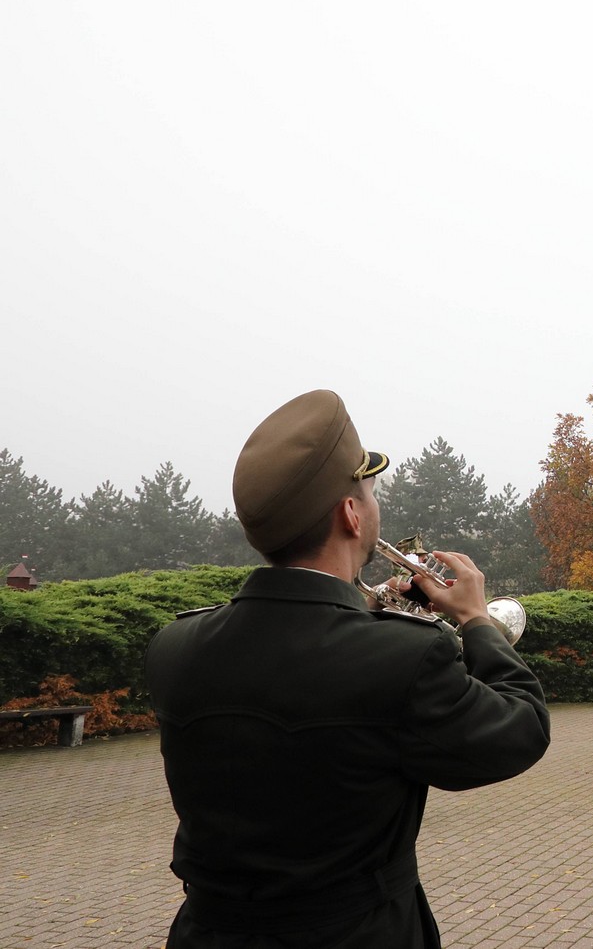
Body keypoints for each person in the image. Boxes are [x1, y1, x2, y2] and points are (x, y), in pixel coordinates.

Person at [146, 389, 551, 948]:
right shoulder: (406, 657)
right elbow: (520, 730)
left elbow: (295, 663)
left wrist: (368, 613)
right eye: (370, 491)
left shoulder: (175, 645)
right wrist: (478, 620)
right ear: (351, 514)